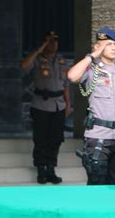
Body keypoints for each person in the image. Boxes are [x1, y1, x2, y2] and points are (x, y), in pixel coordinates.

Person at [68, 27, 115, 185]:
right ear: (98, 46)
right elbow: (72, 76)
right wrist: (91, 56)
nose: (113, 48)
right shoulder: (91, 70)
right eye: (108, 44)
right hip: (98, 136)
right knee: (97, 182)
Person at [20, 31, 71, 184]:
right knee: (41, 138)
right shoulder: (37, 59)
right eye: (50, 41)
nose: (54, 44)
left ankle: (51, 168)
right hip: (41, 103)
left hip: (58, 105)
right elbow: (23, 66)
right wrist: (39, 49)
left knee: (56, 139)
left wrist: (68, 104)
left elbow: (66, 85)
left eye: (55, 41)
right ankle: (41, 168)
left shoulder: (62, 61)